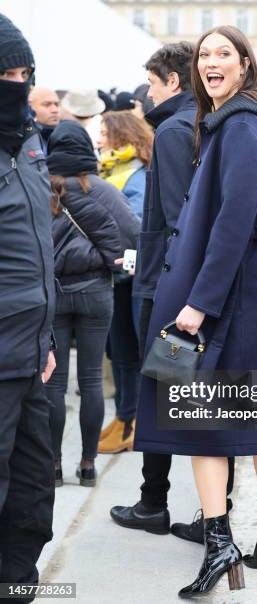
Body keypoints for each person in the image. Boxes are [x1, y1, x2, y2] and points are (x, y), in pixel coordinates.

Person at [134, 25, 257, 598]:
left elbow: (233, 221)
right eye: (205, 55)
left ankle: (220, 541)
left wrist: (198, 305)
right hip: (255, 292)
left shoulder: (239, 125)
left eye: (223, 53)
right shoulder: (245, 123)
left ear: (246, 64)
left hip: (232, 297)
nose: (211, 62)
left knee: (202, 423)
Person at [110, 41, 236, 545]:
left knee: (166, 388)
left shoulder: (174, 130)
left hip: (172, 284)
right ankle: (209, 511)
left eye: (152, 83)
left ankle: (156, 503)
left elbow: (182, 223)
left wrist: (174, 292)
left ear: (173, 83)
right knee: (193, 394)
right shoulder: (206, 123)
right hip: (193, 282)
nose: (146, 92)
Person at [45, 121, 140, 486]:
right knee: (90, 382)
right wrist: (113, 259)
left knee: (53, 384)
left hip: (52, 293)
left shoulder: (39, 189)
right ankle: (87, 464)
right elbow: (133, 233)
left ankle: (53, 465)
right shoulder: (101, 189)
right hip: (97, 292)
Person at [0, 13, 56, 599]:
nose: (17, 84)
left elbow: (38, 250)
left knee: (35, 487)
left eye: (25, 73)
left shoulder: (32, 146)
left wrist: (48, 339)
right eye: (5, 74)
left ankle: (16, 584)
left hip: (31, 355)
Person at [96, 111, 153, 453]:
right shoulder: (110, 169)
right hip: (116, 274)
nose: (99, 139)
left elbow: (136, 223)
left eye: (104, 133)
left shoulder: (137, 173)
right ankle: (124, 416)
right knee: (120, 352)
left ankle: (137, 423)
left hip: (133, 273)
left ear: (122, 135)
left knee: (133, 350)